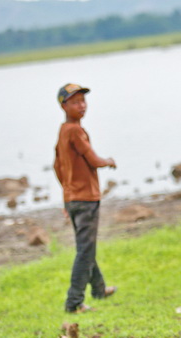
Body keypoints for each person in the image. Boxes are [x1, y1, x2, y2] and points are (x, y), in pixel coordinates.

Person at [53, 83, 117, 314]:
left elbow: (57, 166)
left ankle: (99, 289)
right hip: (86, 199)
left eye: (83, 100)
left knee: (85, 247)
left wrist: (67, 194)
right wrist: (109, 160)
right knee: (85, 251)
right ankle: (74, 302)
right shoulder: (75, 131)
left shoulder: (63, 130)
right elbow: (93, 160)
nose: (81, 105)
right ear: (64, 105)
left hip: (73, 199)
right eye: (75, 102)